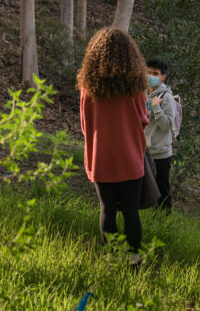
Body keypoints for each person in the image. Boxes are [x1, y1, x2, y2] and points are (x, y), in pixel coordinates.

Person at [78, 27, 149, 256]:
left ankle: (112, 258)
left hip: (101, 157)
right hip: (130, 157)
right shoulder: (136, 86)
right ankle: (133, 260)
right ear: (129, 54)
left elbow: (84, 124)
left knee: (107, 209)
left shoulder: (88, 87)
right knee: (130, 212)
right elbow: (143, 119)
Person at [144, 58, 177, 212]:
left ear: (163, 77)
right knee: (144, 190)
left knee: (161, 191)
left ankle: (163, 222)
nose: (151, 76)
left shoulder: (167, 97)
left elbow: (166, 125)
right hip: (143, 151)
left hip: (161, 154)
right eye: (149, 72)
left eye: (155, 73)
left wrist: (157, 108)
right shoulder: (142, 95)